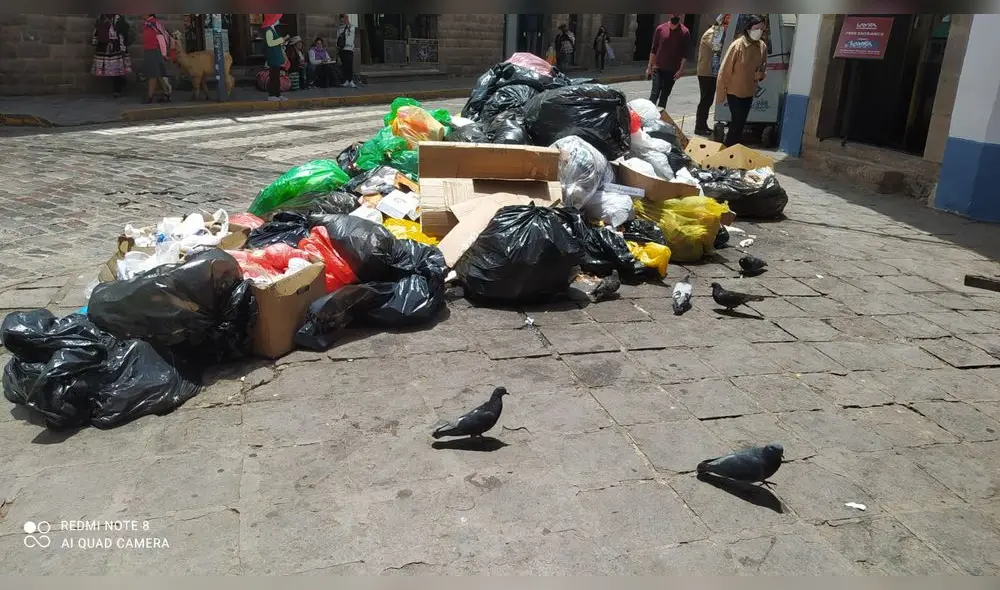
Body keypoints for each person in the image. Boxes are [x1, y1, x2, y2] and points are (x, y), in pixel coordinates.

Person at [715, 15, 767, 146]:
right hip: (734, 91)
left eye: (762, 29)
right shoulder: (737, 46)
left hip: (749, 91)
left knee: (741, 121)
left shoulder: (762, 47)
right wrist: (721, 93)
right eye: (757, 28)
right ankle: (729, 147)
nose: (759, 31)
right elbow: (724, 70)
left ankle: (735, 146)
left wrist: (760, 74)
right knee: (737, 121)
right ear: (749, 28)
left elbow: (762, 66)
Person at [646, 14, 691, 109]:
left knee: (664, 96)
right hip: (657, 68)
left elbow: (685, 54)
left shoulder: (685, 32)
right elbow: (654, 49)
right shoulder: (660, 29)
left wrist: (681, 70)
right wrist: (649, 67)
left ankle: (660, 119)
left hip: (672, 70)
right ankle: (648, 117)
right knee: (654, 94)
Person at [694, 15, 725, 136]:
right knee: (705, 100)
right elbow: (717, 47)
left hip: (712, 72)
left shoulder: (717, 33)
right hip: (706, 72)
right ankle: (699, 126)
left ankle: (703, 125)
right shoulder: (711, 33)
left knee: (708, 100)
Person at [92, 14, 132, 98]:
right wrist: (95, 41)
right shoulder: (101, 17)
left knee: (116, 69)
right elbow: (96, 30)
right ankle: (121, 83)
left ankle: (117, 89)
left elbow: (123, 32)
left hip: (116, 47)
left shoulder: (118, 18)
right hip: (103, 47)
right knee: (107, 69)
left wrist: (123, 46)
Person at [141, 14, 171, 103]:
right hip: (150, 50)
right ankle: (166, 94)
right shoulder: (147, 24)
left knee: (152, 74)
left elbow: (162, 37)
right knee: (158, 74)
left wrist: (164, 53)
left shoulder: (154, 23)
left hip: (153, 51)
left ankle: (150, 96)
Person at [262, 14, 288, 101]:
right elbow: (270, 43)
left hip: (275, 57)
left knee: (276, 77)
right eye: (276, 19)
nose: (278, 20)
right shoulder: (269, 30)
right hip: (273, 57)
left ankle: (277, 94)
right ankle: (272, 95)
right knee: (274, 77)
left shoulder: (272, 29)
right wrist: (281, 39)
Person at [336, 14, 357, 88]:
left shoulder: (351, 27)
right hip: (342, 49)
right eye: (341, 20)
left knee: (349, 65)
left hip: (349, 49)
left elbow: (352, 33)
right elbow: (338, 39)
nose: (342, 21)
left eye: (343, 19)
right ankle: (346, 80)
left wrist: (348, 23)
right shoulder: (339, 28)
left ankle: (351, 80)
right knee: (344, 65)